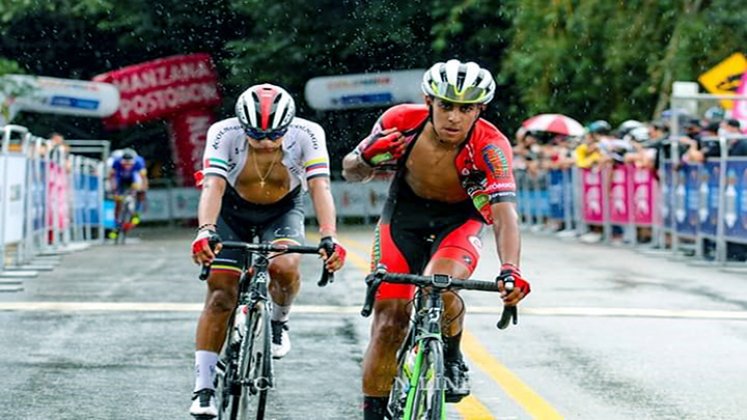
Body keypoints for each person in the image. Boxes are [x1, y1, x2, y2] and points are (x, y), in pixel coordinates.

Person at [341, 59, 531, 419]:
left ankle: (453, 352)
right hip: (403, 219)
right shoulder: (400, 121)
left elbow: (505, 214)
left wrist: (510, 269)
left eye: (465, 109)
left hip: (458, 223)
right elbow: (352, 171)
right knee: (389, 321)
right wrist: (367, 157)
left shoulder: (492, 146)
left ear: (480, 109)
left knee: (442, 286)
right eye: (445, 106)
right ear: (429, 100)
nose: (454, 118)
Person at [189, 83, 347, 418]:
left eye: (273, 136)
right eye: (255, 136)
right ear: (241, 126)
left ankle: (278, 321)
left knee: (285, 267)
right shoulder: (223, 133)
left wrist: (330, 236)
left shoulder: (308, 134)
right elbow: (213, 186)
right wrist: (206, 230)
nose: (264, 143)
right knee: (220, 294)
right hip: (231, 211)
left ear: (287, 126)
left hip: (282, 211)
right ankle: (203, 387)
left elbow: (320, 187)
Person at [107, 147, 148, 237]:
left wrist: (143, 189)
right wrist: (113, 190)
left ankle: (137, 212)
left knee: (140, 190)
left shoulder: (139, 162)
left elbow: (143, 178)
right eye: (125, 164)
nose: (127, 166)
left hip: (133, 177)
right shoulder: (116, 162)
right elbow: (111, 177)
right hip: (121, 178)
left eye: (129, 164)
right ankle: (116, 223)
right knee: (118, 201)